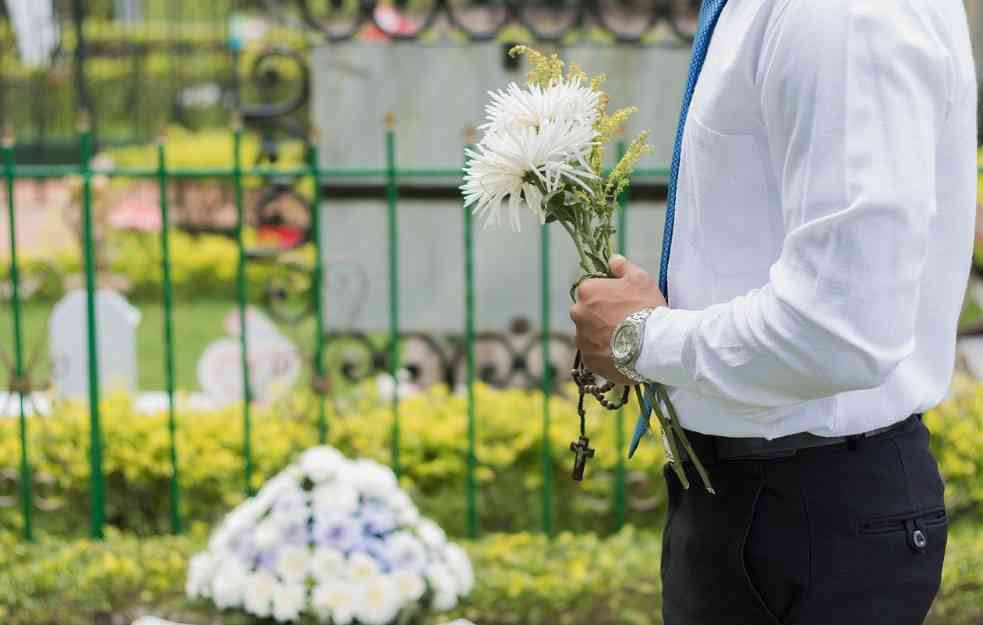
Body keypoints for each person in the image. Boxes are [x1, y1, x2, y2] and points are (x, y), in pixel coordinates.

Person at [569, 1, 977, 624]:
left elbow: (841, 331)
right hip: (761, 501)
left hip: (805, 514)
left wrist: (641, 340)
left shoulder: (838, 13)